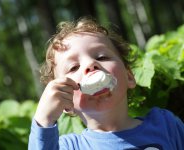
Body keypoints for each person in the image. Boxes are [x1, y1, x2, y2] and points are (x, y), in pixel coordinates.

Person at [28, 17, 184, 150]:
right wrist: (44, 120)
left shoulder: (165, 124)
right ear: (66, 103)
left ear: (129, 76)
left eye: (102, 57)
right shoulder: (71, 146)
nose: (90, 64)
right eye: (73, 67)